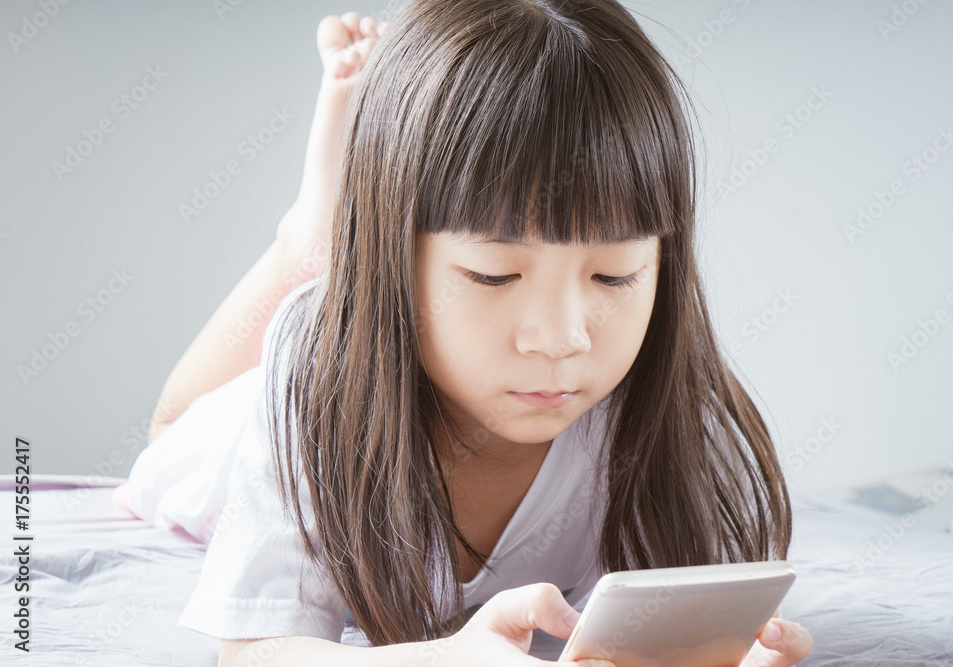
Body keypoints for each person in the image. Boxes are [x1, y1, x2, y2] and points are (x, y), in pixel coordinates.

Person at [115, 1, 814, 665]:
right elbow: (255, 650)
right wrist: (445, 657)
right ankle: (315, 232)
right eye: (491, 275)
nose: (561, 338)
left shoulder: (664, 406)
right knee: (170, 430)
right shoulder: (311, 375)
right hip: (253, 411)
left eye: (615, 276)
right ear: (395, 261)